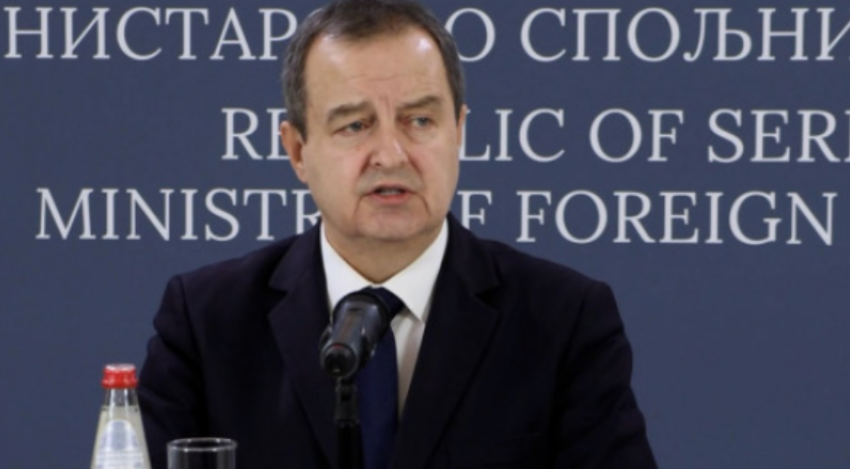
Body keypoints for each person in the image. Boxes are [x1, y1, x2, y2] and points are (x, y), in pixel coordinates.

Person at [137, 0, 657, 468]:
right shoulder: (207, 322)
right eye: (355, 125)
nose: (391, 154)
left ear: (459, 132)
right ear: (298, 151)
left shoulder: (564, 321)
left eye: (420, 121)